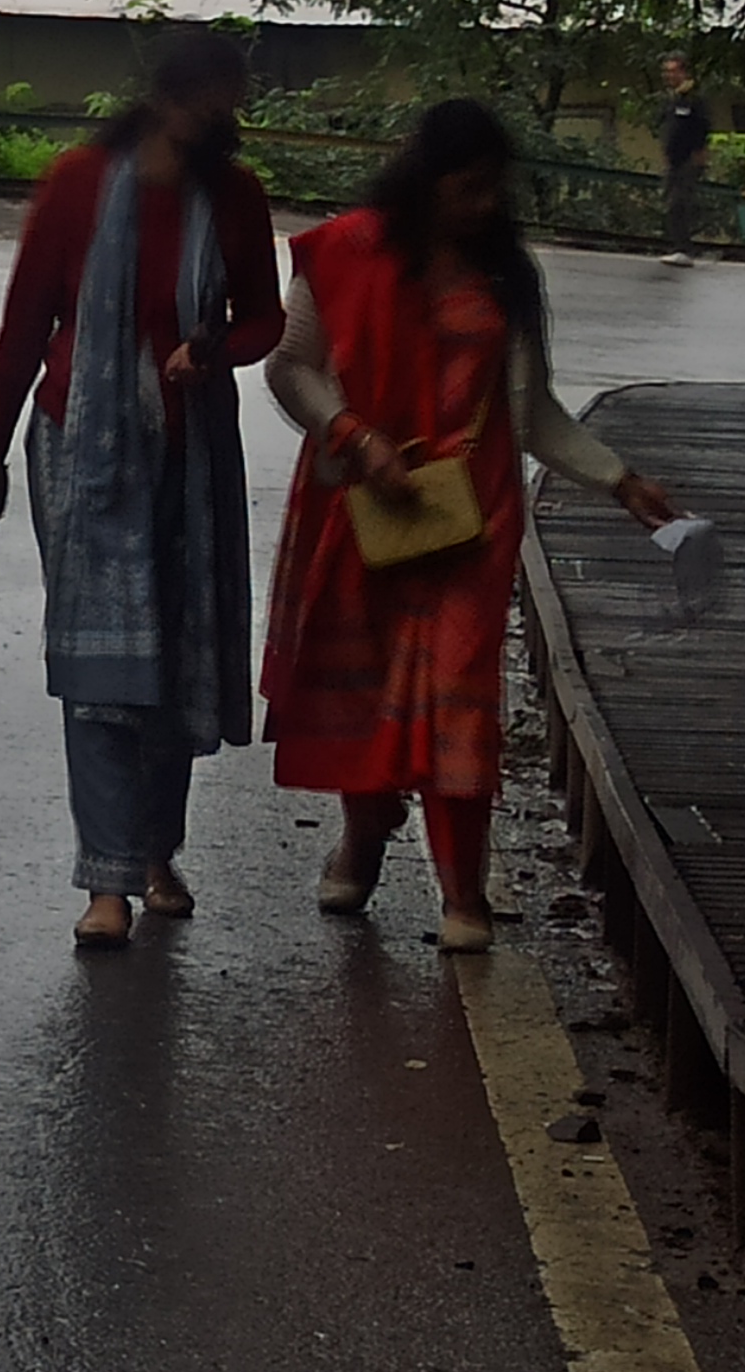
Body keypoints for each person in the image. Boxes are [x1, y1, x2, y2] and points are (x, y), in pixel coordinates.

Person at [264, 100, 685, 953]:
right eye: (467, 189)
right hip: (363, 513)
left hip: (470, 524)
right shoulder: (342, 253)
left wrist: (621, 481)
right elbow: (291, 368)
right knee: (373, 692)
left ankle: (464, 893)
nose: (483, 206)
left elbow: (533, 417)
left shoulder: (504, 277)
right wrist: (356, 437)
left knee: (459, 702)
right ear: (426, 181)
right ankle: (364, 834)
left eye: (493, 190)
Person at [0, 28, 284, 949]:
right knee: (105, 669)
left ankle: (153, 853)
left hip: (190, 456)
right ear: (171, 99)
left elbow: (262, 313)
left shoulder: (234, 196)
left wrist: (217, 345)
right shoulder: (77, 184)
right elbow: (27, 321)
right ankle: (104, 882)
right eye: (211, 105)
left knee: (173, 664)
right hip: (85, 449)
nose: (225, 122)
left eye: (233, 105)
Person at [655, 54, 714, 263]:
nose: (668, 75)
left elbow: (702, 126)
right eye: (666, 71)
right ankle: (677, 245)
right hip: (674, 159)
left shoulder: (693, 98)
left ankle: (684, 249)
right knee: (670, 202)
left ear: (683, 72)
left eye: (672, 71)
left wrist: (699, 152)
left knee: (679, 203)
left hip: (688, 159)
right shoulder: (674, 98)